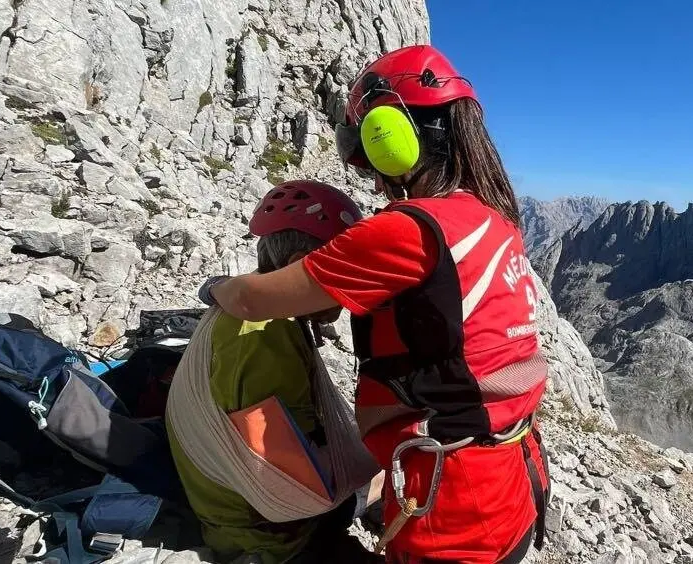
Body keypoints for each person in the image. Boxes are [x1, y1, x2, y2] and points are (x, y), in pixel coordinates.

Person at [201, 45, 551, 563]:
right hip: (512, 482)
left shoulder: (409, 231)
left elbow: (255, 299)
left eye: (367, 144)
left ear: (390, 135)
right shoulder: (493, 220)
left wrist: (216, 288)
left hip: (452, 509)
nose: (371, 175)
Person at [165, 180, 383, 564]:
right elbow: (294, 485)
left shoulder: (257, 307)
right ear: (299, 264)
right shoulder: (265, 341)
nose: (353, 289)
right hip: (271, 541)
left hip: (237, 509)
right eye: (344, 271)